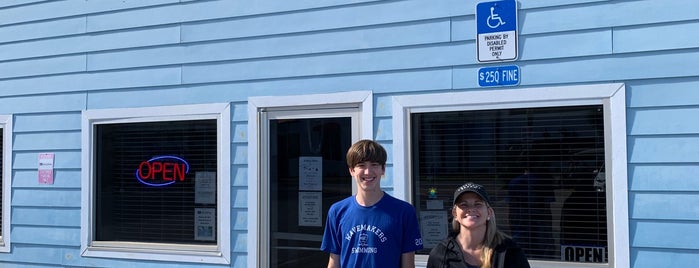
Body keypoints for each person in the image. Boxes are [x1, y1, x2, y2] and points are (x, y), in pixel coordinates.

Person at [321, 139, 423, 268]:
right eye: (361, 165)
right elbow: (334, 262)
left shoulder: (404, 212)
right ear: (352, 170)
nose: (368, 172)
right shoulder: (337, 211)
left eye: (374, 164)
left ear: (383, 169)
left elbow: (408, 265)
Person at [427, 182, 530, 268]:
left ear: (489, 212)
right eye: (464, 205)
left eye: (478, 204)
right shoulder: (440, 254)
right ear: (455, 214)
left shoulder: (510, 252)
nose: (471, 209)